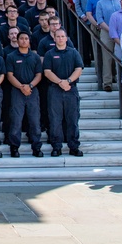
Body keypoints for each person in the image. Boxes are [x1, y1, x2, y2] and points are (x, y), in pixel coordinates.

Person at [42, 29, 84, 157]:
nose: (60, 38)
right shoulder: (49, 54)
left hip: (71, 90)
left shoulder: (73, 53)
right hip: (55, 90)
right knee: (55, 120)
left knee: (72, 119)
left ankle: (74, 146)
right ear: (54, 39)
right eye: (57, 36)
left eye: (62, 36)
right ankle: (56, 147)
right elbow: (47, 72)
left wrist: (68, 81)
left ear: (66, 38)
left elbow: (79, 68)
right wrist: (60, 82)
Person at [5, 32, 43, 158]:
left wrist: (30, 86)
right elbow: (9, 75)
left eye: (26, 38)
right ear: (18, 40)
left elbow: (39, 74)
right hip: (17, 91)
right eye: (21, 38)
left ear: (29, 41)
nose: (24, 40)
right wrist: (21, 87)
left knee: (34, 120)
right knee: (16, 120)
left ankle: (36, 147)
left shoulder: (35, 57)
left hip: (32, 91)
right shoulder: (11, 56)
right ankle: (14, 147)